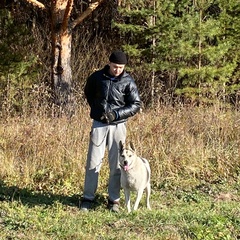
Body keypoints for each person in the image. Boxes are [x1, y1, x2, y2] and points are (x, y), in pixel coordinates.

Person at [80, 50, 141, 212]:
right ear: (109, 63)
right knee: (93, 162)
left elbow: (135, 105)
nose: (118, 70)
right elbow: (88, 94)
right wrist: (97, 110)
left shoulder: (128, 81)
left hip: (118, 126)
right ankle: (88, 198)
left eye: (121, 67)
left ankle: (114, 200)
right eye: (115, 66)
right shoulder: (96, 77)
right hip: (99, 124)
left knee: (117, 165)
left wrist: (115, 114)